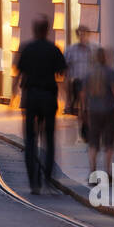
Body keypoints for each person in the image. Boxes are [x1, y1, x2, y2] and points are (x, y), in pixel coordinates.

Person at [13, 16, 67, 195]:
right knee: (49, 139)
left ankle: (33, 182)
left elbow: (18, 73)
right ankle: (47, 177)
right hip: (48, 97)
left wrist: (13, 93)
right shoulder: (54, 49)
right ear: (47, 30)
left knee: (30, 140)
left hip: (31, 97)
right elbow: (62, 74)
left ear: (35, 30)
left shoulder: (27, 49)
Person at [82, 46, 114, 180]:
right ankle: (108, 172)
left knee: (93, 143)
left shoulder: (89, 74)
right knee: (109, 143)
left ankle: (92, 171)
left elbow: (83, 94)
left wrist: (83, 110)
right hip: (109, 110)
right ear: (105, 58)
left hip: (93, 111)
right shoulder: (111, 73)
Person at [64, 27, 95, 122]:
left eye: (84, 34)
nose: (82, 37)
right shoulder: (71, 50)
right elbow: (66, 67)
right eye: (80, 34)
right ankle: (82, 115)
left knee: (86, 101)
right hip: (77, 80)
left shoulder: (94, 48)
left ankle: (84, 115)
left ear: (88, 35)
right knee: (81, 99)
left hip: (91, 80)